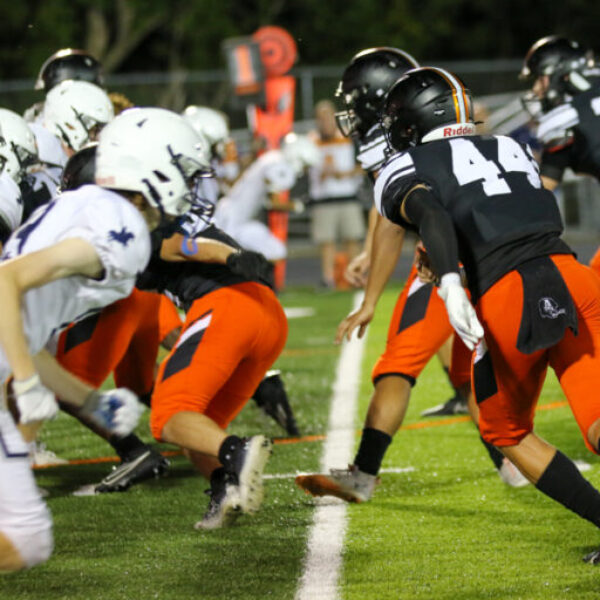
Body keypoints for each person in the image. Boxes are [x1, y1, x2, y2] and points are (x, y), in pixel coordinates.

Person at [362, 64, 600, 564]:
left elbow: (434, 214)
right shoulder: (510, 147)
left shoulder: (402, 166)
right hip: (574, 275)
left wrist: (449, 280)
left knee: (505, 430)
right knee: (597, 420)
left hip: (511, 293)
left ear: (410, 123)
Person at [295, 49, 524, 506]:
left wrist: (370, 299)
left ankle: (363, 474)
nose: (350, 111)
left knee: (396, 368)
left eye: (356, 99)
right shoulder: (442, 128)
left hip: (444, 266)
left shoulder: (393, 139)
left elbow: (392, 221)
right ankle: (512, 463)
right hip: (495, 258)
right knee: (470, 371)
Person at [0, 105, 203, 571]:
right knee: (26, 537)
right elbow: (5, 283)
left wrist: (91, 401)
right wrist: (27, 383)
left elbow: (23, 330)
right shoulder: (123, 229)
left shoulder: (79, 204)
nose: (190, 187)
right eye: (184, 172)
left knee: (26, 538)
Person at [518, 36, 600, 277]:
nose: (535, 90)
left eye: (538, 80)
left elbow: (541, 191)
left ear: (557, 74)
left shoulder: (564, 120)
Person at [307, 99, 366, 288]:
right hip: (323, 198)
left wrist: (344, 174)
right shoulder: (311, 140)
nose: (324, 121)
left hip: (347, 195)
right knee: (326, 242)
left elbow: (364, 165)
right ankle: (329, 279)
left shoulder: (349, 137)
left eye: (327, 117)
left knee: (352, 238)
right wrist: (321, 173)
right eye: (320, 118)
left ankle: (354, 276)